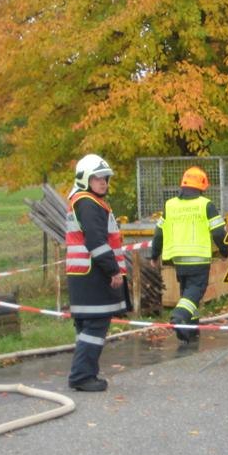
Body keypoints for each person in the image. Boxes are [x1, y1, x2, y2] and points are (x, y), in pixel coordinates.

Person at [66, 154, 130, 392]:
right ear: (85, 179)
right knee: (95, 326)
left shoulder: (84, 201)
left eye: (105, 178)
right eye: (97, 178)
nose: (103, 182)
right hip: (93, 276)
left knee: (86, 328)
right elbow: (96, 241)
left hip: (84, 276)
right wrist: (113, 271)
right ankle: (82, 376)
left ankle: (84, 373)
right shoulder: (88, 203)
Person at [149, 166, 228, 344]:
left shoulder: (170, 205)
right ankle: (179, 316)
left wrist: (154, 255)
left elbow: (159, 233)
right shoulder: (205, 205)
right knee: (195, 292)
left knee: (187, 294)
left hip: (178, 259)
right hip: (198, 258)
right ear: (202, 186)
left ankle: (189, 331)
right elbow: (218, 232)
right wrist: (225, 251)